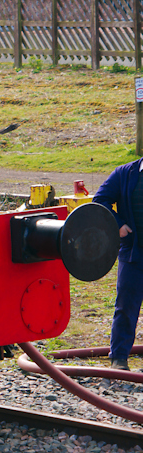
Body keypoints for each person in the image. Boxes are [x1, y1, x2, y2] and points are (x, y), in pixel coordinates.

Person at [92, 158, 143, 370]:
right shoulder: (124, 173)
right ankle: (119, 359)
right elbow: (99, 200)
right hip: (133, 253)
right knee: (126, 306)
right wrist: (118, 223)